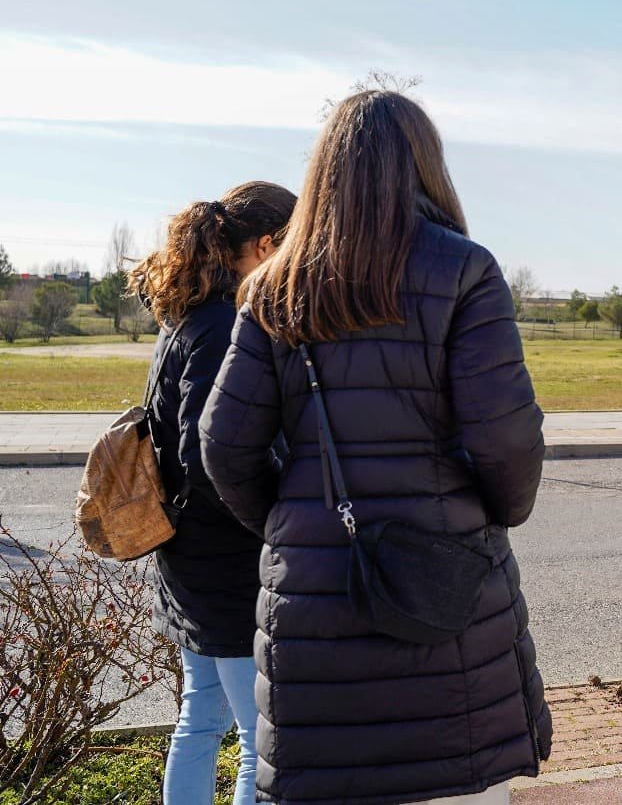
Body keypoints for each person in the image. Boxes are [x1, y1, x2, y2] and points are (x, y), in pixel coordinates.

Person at [200, 88, 551, 805]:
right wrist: (484, 516)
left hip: (311, 611)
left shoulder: (272, 288)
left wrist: (296, 521)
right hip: (447, 603)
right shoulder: (462, 270)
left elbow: (223, 447)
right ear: (427, 166)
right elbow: (507, 444)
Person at [128, 181, 296, 805]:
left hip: (189, 554)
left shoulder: (188, 313)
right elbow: (211, 453)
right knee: (263, 742)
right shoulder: (225, 323)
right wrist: (274, 522)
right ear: (264, 245)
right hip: (223, 566)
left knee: (199, 719)